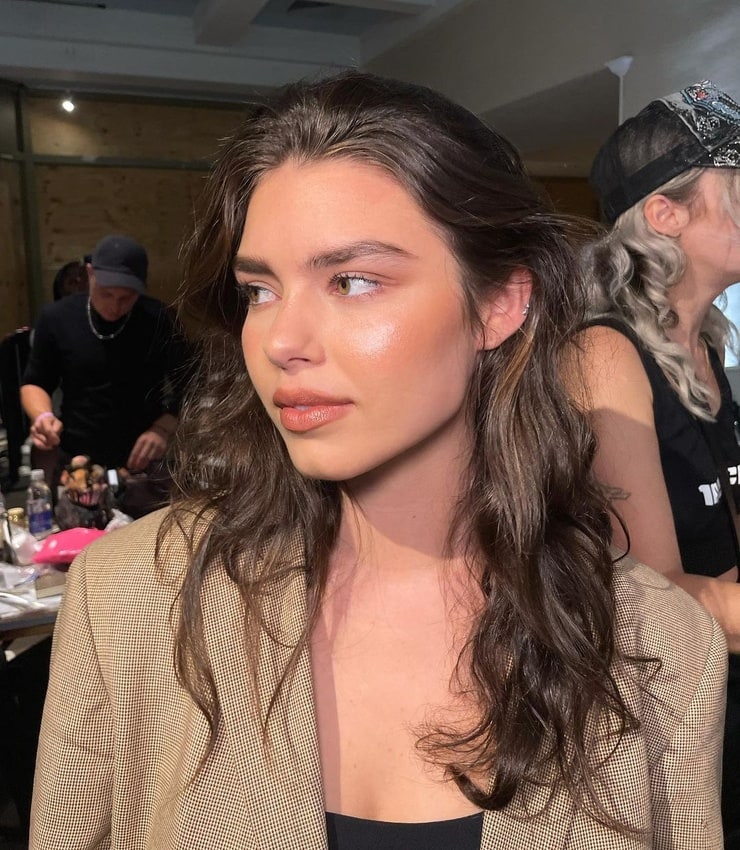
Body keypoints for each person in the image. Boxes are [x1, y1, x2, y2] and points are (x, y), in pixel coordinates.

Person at [31, 73, 725, 849]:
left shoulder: (664, 646)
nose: (281, 340)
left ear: (499, 303)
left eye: (353, 281)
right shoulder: (127, 600)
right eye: (259, 290)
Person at [574, 80, 740, 846]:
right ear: (667, 215)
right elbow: (651, 598)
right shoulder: (603, 354)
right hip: (672, 725)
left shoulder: (704, 350)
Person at [20, 234, 191, 480]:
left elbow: (190, 386)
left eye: (126, 298)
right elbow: (35, 382)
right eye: (106, 293)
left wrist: (162, 429)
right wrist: (43, 417)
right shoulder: (57, 318)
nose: (115, 306)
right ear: (90, 273)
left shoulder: (160, 319)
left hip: (143, 457)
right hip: (78, 456)